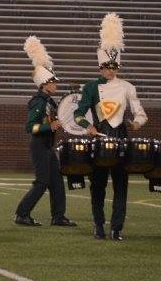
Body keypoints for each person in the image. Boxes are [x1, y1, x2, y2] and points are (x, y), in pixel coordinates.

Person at [74, 13, 147, 241]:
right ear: (100, 67)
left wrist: (137, 122)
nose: (111, 71)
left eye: (114, 66)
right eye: (107, 67)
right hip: (99, 137)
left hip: (121, 137)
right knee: (97, 186)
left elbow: (140, 112)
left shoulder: (127, 86)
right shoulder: (90, 87)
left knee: (121, 185)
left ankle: (117, 228)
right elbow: (78, 115)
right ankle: (98, 225)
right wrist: (88, 126)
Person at [13, 36, 77, 228]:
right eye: (53, 82)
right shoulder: (39, 102)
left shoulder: (49, 101)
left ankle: (58, 216)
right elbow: (30, 127)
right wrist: (50, 126)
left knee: (56, 182)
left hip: (48, 146)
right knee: (42, 182)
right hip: (39, 146)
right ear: (44, 84)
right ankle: (22, 214)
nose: (55, 85)